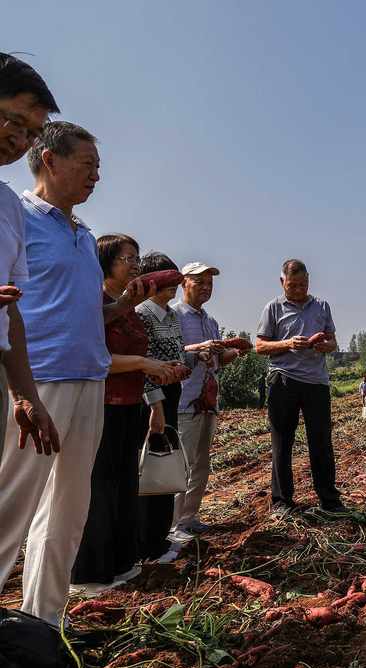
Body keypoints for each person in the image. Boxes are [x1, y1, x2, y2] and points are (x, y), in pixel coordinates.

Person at [0, 121, 152, 624]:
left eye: (98, 167)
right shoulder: (17, 217)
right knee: (12, 509)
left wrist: (122, 305)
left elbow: (87, 310)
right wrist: (22, 394)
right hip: (38, 382)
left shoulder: (84, 235)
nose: (96, 176)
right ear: (50, 160)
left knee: (68, 510)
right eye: (87, 165)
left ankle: (43, 624)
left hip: (89, 378)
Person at [70, 235, 177, 594]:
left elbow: (135, 361)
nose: (135, 265)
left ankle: (120, 561)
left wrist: (158, 371)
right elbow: (96, 357)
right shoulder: (94, 303)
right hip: (102, 406)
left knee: (123, 486)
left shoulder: (128, 308)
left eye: (137, 258)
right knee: (99, 489)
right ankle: (91, 572)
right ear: (105, 264)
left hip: (129, 406)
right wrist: (147, 363)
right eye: (127, 259)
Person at [0, 53, 61, 460]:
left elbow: (11, 311)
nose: (18, 140)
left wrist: (24, 394)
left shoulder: (8, 206)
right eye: (13, 121)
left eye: (30, 132)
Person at [255, 259, 345, 519]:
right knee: (282, 442)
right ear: (282, 282)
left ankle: (329, 500)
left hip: (316, 382)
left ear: (309, 281)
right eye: (292, 285)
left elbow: (333, 341)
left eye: (303, 284)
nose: (297, 289)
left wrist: (324, 345)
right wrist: (288, 343)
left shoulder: (322, 306)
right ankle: (282, 501)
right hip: (284, 380)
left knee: (321, 442)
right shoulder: (272, 308)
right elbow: (260, 346)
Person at [168, 262, 242, 542]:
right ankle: (171, 524)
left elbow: (214, 361)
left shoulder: (209, 321)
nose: (206, 288)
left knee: (200, 463)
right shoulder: (173, 316)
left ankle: (189, 517)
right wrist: (196, 349)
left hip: (207, 401)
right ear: (184, 283)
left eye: (210, 284)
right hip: (184, 401)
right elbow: (168, 353)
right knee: (181, 465)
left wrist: (230, 353)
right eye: (200, 282)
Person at [135, 251, 194, 563]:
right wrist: (155, 403)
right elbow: (143, 364)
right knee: (152, 465)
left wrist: (182, 366)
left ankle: (159, 535)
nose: (174, 287)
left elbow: (175, 354)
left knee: (166, 462)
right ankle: (146, 542)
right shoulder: (142, 314)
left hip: (171, 391)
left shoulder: (170, 314)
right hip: (152, 398)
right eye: (167, 280)